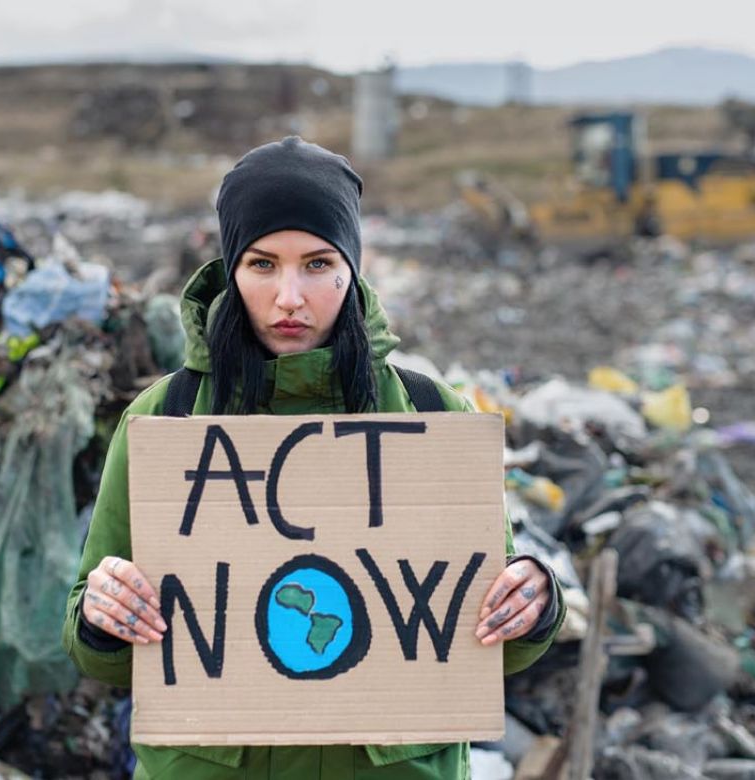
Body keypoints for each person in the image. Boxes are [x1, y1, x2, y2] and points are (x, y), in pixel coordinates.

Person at [62, 136, 566, 780]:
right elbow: (96, 650)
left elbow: (483, 638)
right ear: (231, 269)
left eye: (318, 264)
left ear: (351, 268)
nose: (291, 297)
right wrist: (103, 615)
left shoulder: (432, 414)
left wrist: (532, 606)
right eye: (263, 264)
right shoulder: (166, 417)